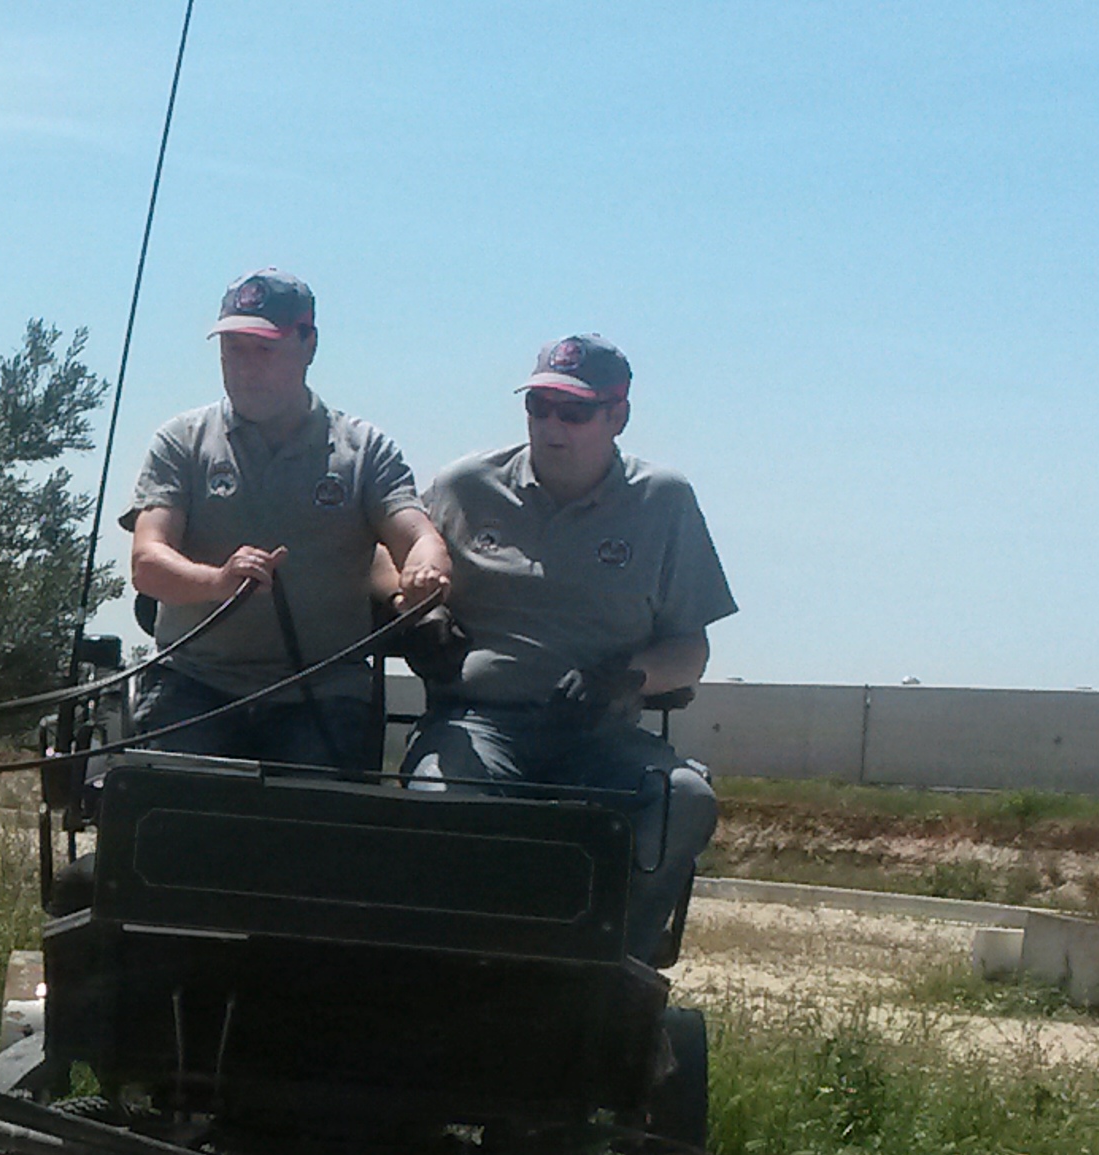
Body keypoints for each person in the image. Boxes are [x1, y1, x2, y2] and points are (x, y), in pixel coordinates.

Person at [403, 334, 734, 962]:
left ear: (618, 416)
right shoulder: (468, 485)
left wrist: (626, 678)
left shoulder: (663, 501)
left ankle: (611, 964)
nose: (552, 425)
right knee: (439, 804)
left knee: (684, 799)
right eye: (539, 407)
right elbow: (390, 559)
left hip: (599, 734)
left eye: (574, 411)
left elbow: (691, 649)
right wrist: (419, 612)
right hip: (477, 725)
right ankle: (463, 964)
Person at [119, 269, 452, 773]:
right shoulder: (182, 440)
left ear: (308, 344)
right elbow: (148, 562)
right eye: (234, 349)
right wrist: (218, 581)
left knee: (306, 832)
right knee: (172, 822)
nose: (246, 368)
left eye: (265, 349)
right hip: (195, 681)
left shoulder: (364, 451)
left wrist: (424, 574)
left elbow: (419, 537)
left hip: (320, 689)